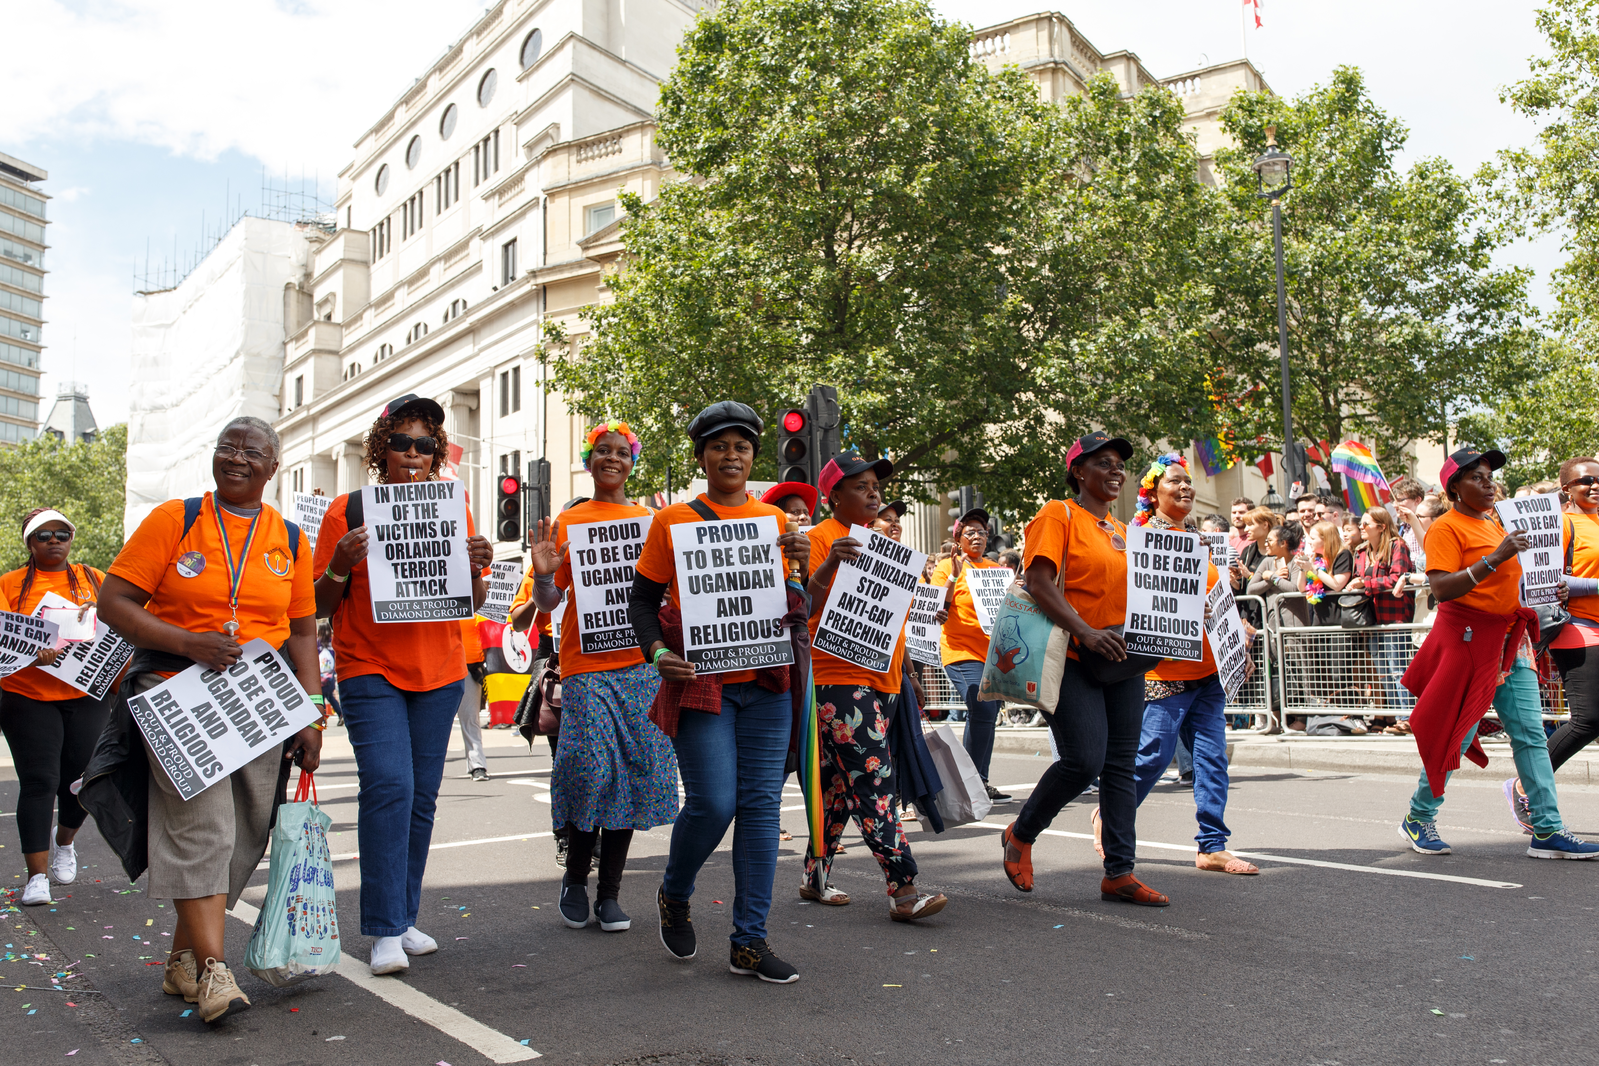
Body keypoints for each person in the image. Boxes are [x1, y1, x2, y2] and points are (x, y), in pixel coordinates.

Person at [98, 416, 325, 1023]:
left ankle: (181, 957)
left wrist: (311, 715)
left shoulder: (291, 540)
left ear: (273, 468)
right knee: (202, 827)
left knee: (246, 830)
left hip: (257, 700)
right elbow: (112, 601)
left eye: (253, 451)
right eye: (227, 446)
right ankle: (213, 973)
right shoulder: (176, 520)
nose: (237, 458)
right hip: (175, 690)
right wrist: (189, 642)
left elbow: (302, 631)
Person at [311, 394, 496, 975]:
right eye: (402, 442)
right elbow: (317, 604)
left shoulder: (453, 506)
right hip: (370, 668)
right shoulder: (347, 510)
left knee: (419, 799)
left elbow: (471, 601)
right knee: (389, 787)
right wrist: (341, 561)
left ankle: (404, 915)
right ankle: (385, 930)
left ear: (435, 454)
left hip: (439, 674)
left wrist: (477, 564)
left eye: (425, 445)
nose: (413, 454)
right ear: (381, 448)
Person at [628, 400, 810, 983]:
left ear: (755, 457)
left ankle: (749, 941)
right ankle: (675, 892)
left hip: (767, 685)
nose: (731, 455)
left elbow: (796, 608)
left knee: (759, 810)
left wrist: (811, 568)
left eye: (742, 447)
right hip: (704, 683)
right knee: (714, 802)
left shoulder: (777, 524)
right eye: (719, 447)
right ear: (701, 457)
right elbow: (641, 603)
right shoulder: (672, 522)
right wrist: (658, 655)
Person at [1397, 448, 1599, 859]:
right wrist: (1495, 558)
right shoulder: (1446, 528)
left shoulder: (1496, 522)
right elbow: (1442, 589)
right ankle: (1419, 817)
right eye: (1477, 478)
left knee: (1531, 737)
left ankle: (1547, 829)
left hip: (1512, 642)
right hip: (1468, 641)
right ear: (1455, 488)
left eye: (1490, 477)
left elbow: (1516, 579)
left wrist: (1551, 589)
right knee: (1460, 732)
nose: (1488, 484)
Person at [1001, 432, 1169, 906]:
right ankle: (1022, 832)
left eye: (1120, 465)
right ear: (1078, 471)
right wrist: (1085, 632)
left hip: (1122, 659)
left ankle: (1119, 872)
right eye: (1104, 463)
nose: (1116, 471)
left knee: (1121, 766)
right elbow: (1038, 581)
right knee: (1084, 759)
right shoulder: (1059, 514)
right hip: (1073, 655)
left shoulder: (1120, 530)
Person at [524, 420, 678, 934]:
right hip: (587, 668)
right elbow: (549, 603)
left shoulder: (654, 521)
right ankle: (574, 878)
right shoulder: (568, 523)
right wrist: (545, 574)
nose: (612, 459)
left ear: (633, 462)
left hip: (640, 667)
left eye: (622, 452)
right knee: (591, 772)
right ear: (589, 460)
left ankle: (609, 891)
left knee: (632, 776)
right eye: (602, 451)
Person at [800, 452, 948, 921]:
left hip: (882, 681)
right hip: (836, 680)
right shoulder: (816, 540)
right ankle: (903, 889)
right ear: (834, 496)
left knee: (839, 789)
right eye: (860, 486)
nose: (872, 493)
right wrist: (828, 568)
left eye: (874, 486)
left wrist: (907, 678)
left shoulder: (882, 548)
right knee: (874, 779)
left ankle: (814, 875)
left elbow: (889, 625)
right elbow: (799, 609)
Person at [1126, 454, 1257, 875]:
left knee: (1212, 760)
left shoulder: (1200, 538)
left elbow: (1220, 601)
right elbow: (1136, 603)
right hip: (1165, 673)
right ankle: (1110, 815)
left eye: (1188, 482)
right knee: (1151, 758)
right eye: (1175, 482)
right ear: (1153, 492)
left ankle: (1212, 845)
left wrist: (1238, 645)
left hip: (1209, 670)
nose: (1185, 487)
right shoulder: (1140, 538)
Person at [0, 509, 112, 907]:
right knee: (38, 782)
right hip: (26, 695)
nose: (54, 540)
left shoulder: (94, 578)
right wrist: (32, 652)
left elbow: (119, 623)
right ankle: (36, 877)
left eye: (61, 533)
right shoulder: (9, 585)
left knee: (79, 780)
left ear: (71, 539)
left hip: (86, 695)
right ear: (30, 543)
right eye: (43, 534)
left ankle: (64, 842)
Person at [1506, 457, 1599, 828]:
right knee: (1589, 719)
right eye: (1585, 481)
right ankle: (1525, 788)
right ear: (1566, 490)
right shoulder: (1561, 524)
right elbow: (1545, 578)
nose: (1594, 486)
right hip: (1578, 626)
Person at [931, 508, 1010, 801]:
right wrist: (953, 576)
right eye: (970, 532)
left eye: (982, 532)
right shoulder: (946, 567)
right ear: (958, 538)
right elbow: (937, 605)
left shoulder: (994, 568)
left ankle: (979, 779)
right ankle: (971, 781)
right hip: (960, 650)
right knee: (983, 707)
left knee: (987, 715)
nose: (977, 537)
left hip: (992, 655)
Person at [1347, 508, 1415, 722]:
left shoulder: (1397, 546)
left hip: (1394, 617)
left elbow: (1398, 578)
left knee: (1398, 668)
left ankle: (1408, 718)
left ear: (1381, 526)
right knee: (1383, 671)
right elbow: (1357, 578)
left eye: (1366, 524)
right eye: (1361, 524)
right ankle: (1397, 717)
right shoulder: (1361, 551)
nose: (1361, 528)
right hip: (1371, 618)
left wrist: (1365, 583)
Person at [457, 616, 489, 781]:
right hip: (441, 666)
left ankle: (477, 765)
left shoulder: (480, 607)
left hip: (470, 667)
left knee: (471, 718)